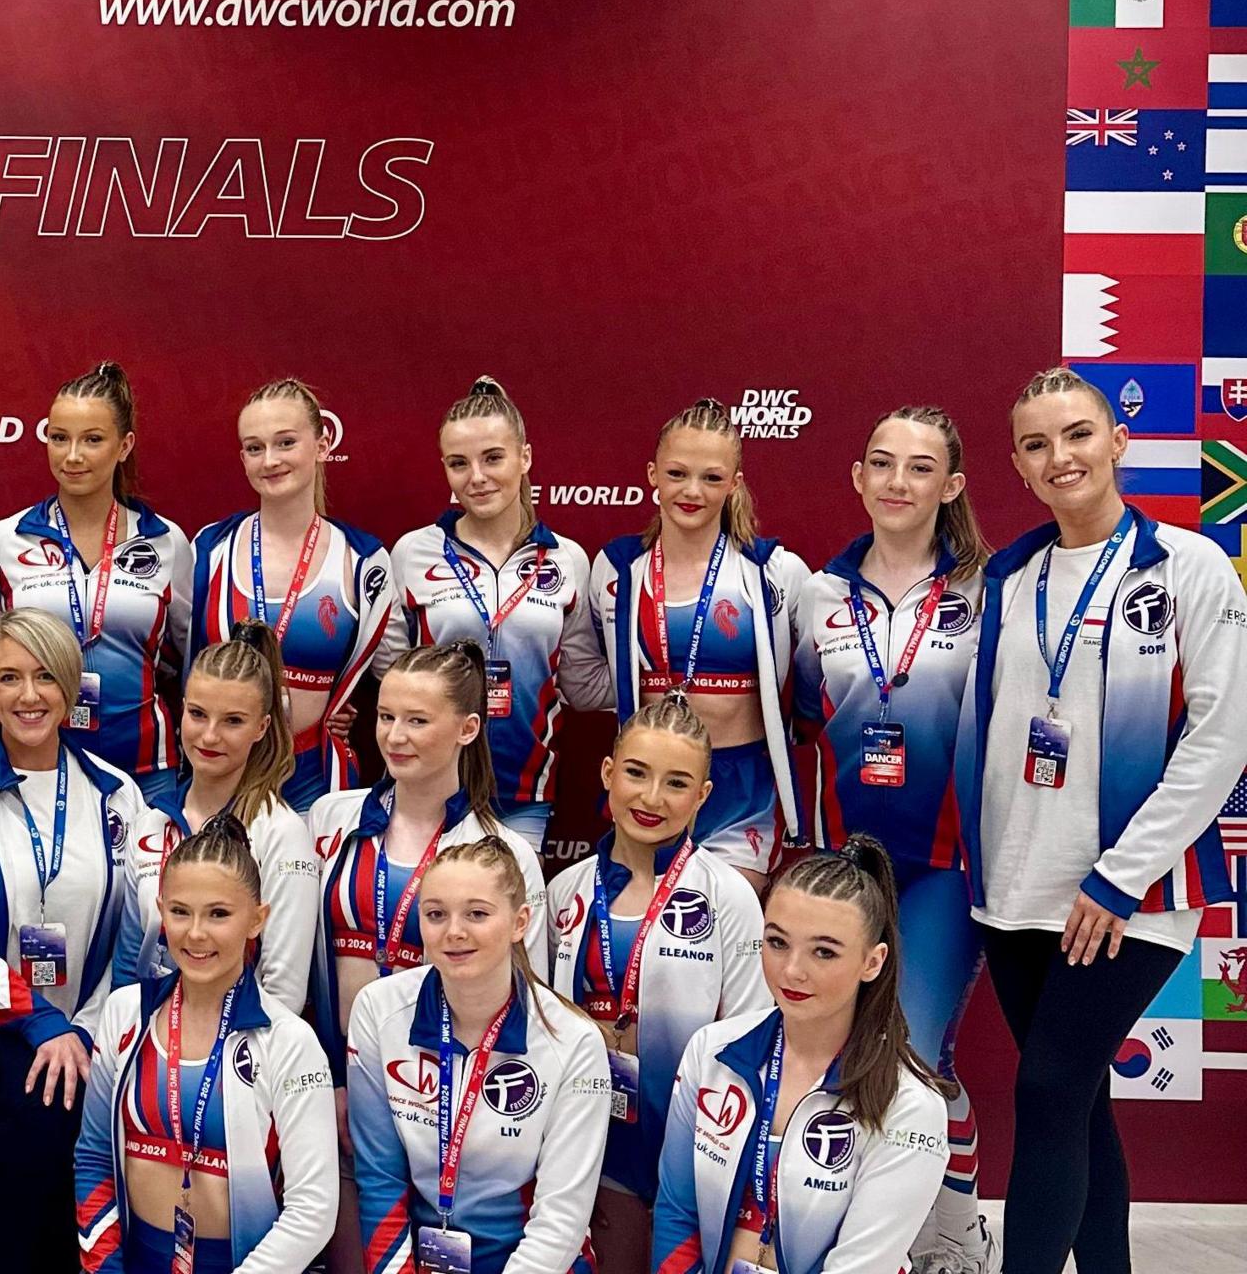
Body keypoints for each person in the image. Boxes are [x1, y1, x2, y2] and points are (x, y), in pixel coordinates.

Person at [953, 368, 1247, 1274]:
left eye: (1077, 434)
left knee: (1046, 1091)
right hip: (1014, 893)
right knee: (1077, 1102)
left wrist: (1122, 875)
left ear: (1116, 441)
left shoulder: (1188, 564)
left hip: (1127, 894)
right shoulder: (1010, 575)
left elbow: (1223, 736)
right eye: (1038, 445)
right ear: (1018, 465)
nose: (1060, 456)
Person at [790, 404, 995, 1273]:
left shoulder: (989, 590)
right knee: (840, 1050)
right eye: (881, 463)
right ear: (858, 478)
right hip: (846, 868)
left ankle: (950, 1234)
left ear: (949, 487)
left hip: (946, 866)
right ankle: (871, 1236)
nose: (897, 482)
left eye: (919, 468)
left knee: (914, 1050)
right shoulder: (819, 594)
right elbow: (806, 712)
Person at [0, 607, 147, 1274]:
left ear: (71, 686)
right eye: (9, 677)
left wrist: (93, 1032)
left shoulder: (116, 794)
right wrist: (39, 1020)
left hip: (94, 1041)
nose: (29, 695)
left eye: (45, 676)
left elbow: (134, 932)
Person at [650, 838, 950, 1274]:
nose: (792, 970)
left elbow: (860, 1266)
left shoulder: (911, 1106)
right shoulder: (712, 1052)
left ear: (873, 961)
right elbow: (677, 1213)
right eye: (777, 942)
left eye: (823, 951)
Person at [541, 700, 766, 1273]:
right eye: (637, 773)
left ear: (703, 797)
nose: (651, 799)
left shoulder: (729, 897)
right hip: (598, 1157)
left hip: (691, 1163)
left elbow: (753, 1042)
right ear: (607, 773)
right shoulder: (565, 891)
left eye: (677, 783)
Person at [72, 816, 337, 1274]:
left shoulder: (289, 1041)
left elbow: (313, 1208)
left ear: (257, 919)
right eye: (179, 912)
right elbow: (94, 1155)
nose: (196, 933)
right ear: (160, 910)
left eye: (219, 914)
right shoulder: (125, 1013)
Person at [346, 838, 611, 1274]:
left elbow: (561, 1219)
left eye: (477, 914)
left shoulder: (574, 1042)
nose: (454, 931)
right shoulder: (378, 1009)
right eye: (436, 914)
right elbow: (379, 1180)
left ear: (520, 922)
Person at [591, 399, 809, 888]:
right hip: (648, 782)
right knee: (643, 942)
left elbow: (811, 682)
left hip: (741, 789)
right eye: (677, 473)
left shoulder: (774, 572)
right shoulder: (617, 570)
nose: (692, 491)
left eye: (712, 478)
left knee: (722, 928)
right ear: (652, 474)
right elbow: (585, 677)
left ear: (734, 483)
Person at [385, 376, 612, 845]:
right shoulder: (414, 553)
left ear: (524, 458)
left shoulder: (566, 559)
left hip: (523, 790)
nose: (477, 477)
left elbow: (579, 681)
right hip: (429, 787)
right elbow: (390, 671)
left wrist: (677, 687)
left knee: (509, 916)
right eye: (458, 463)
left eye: (493, 458)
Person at [305, 642, 547, 1079]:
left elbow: (527, 996)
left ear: (468, 729)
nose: (395, 737)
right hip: (332, 1072)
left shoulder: (506, 853)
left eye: (417, 720)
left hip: (440, 1082)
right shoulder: (330, 817)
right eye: (386, 717)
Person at [0, 362, 194, 802]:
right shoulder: (4, 540)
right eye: (59, 438)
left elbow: (189, 654)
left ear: (124, 445)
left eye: (92, 440)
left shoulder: (166, 541)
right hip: (35, 766)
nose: (72, 456)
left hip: (146, 771)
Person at [188, 377, 398, 813]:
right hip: (222, 772)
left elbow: (393, 675)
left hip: (315, 778)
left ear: (322, 445)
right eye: (254, 447)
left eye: (286, 443)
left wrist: (345, 702)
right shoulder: (211, 547)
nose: (270, 460)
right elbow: (181, 654)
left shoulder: (362, 559)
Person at [130, 625, 321, 1012]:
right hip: (153, 1040)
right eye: (198, 714)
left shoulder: (281, 833)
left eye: (233, 721)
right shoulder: (149, 820)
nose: (210, 736)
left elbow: (283, 991)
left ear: (262, 727)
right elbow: (130, 959)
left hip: (237, 1056)